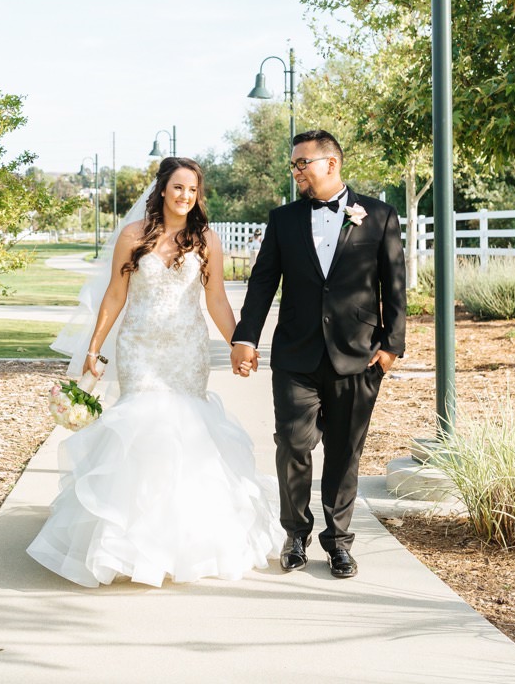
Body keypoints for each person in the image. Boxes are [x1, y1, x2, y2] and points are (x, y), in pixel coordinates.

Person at [27, 157, 280, 587]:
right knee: (144, 431)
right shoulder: (133, 236)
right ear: (163, 190)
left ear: (199, 196)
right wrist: (93, 347)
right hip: (140, 348)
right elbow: (114, 295)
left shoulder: (205, 241)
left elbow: (216, 299)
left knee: (185, 431)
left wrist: (240, 343)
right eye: (178, 187)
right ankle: (126, 547)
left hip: (186, 350)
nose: (185, 196)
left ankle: (181, 543)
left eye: (193, 190)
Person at [231, 130, 406, 580]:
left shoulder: (380, 216)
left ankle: (339, 542)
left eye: (301, 163)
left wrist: (391, 347)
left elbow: (395, 286)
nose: (296, 172)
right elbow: (263, 282)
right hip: (295, 354)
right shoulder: (283, 219)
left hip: (359, 356)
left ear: (331, 163)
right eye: (294, 164)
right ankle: (295, 534)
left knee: (346, 452)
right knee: (292, 443)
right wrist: (246, 337)